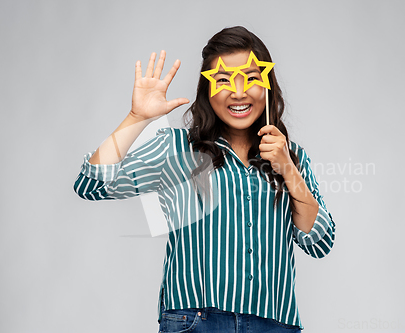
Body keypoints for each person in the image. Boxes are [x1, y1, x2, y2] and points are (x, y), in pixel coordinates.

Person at [74, 26, 335, 333]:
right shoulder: (177, 148)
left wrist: (288, 169)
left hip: (275, 324)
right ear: (207, 90)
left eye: (251, 78)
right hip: (197, 322)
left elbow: (319, 242)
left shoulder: (291, 157)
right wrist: (136, 117)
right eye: (223, 80)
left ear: (267, 84)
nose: (238, 93)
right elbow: (92, 184)